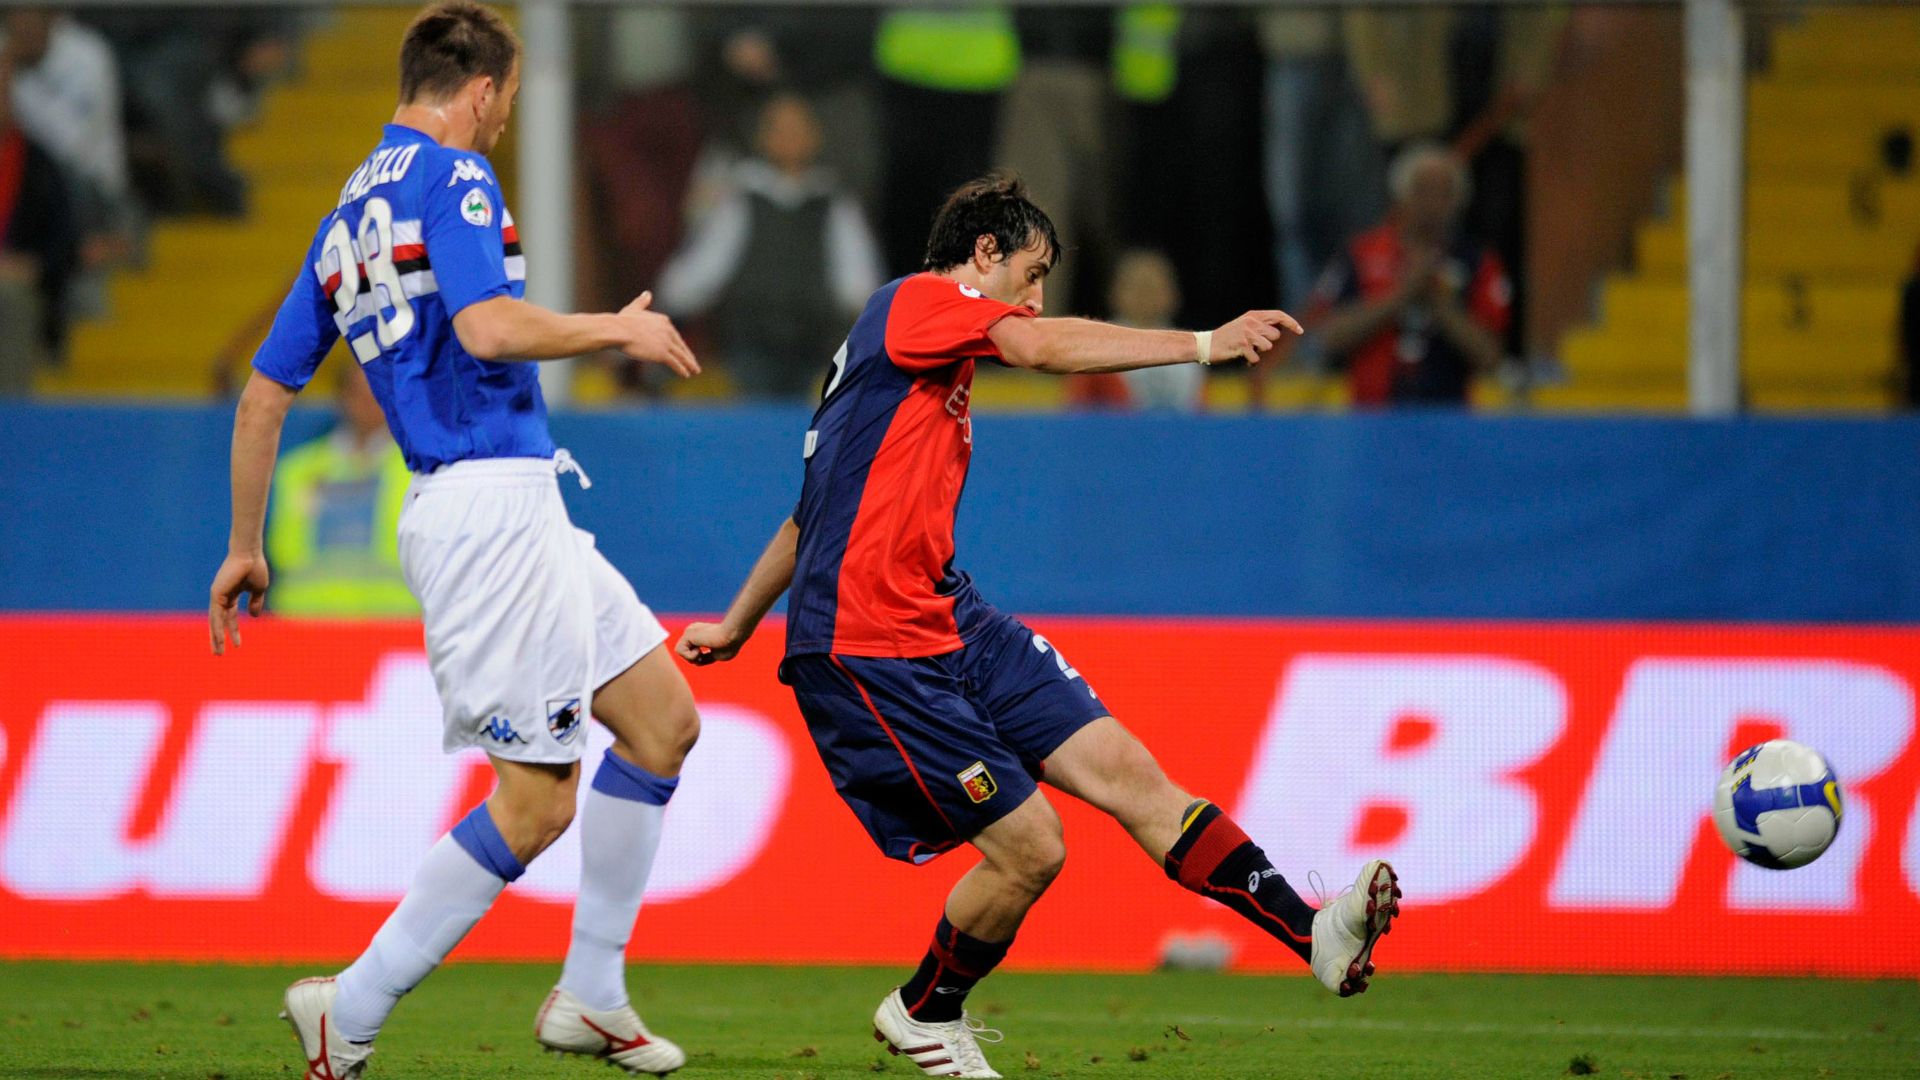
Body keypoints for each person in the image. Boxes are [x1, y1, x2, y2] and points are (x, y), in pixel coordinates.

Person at [676, 175, 1400, 1079]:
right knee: (1032, 848)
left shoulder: (908, 361)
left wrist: (738, 624)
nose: (1037, 295)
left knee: (1131, 774)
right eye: (1032, 270)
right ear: (984, 256)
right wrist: (1203, 344)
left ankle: (1313, 933)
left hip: (949, 615)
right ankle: (924, 1012)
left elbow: (807, 517)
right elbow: (1045, 349)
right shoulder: (917, 303)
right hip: (872, 641)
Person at [206, 5, 702, 1077]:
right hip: (487, 508)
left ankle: (592, 992)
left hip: (510, 501)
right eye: (508, 102)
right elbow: (486, 326)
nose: (504, 121)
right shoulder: (456, 178)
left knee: (662, 722)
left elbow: (260, 396)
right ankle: (355, 1005)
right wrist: (618, 325)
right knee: (535, 801)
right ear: (480, 90)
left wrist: (246, 544)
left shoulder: (345, 220)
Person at [655, 92, 883, 401]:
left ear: (815, 136)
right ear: (762, 137)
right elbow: (706, 266)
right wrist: (671, 306)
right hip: (750, 344)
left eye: (798, 129)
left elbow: (856, 278)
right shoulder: (741, 198)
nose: (790, 139)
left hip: (816, 345)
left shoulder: (833, 202)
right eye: (780, 130)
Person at [1311, 143, 1509, 407]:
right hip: (1372, 416)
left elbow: (1491, 357)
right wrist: (1401, 296)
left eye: (1444, 193)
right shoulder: (1362, 253)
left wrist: (1439, 303)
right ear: (1400, 195)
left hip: (1450, 418)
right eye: (1423, 191)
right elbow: (1328, 336)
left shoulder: (1477, 261)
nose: (1432, 203)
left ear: (1459, 200)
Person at [266, 361, 418, 617]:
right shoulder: (296, 470)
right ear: (342, 397)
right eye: (359, 393)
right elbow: (275, 557)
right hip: (302, 628)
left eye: (376, 393)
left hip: (393, 627)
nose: (368, 404)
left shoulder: (419, 471)